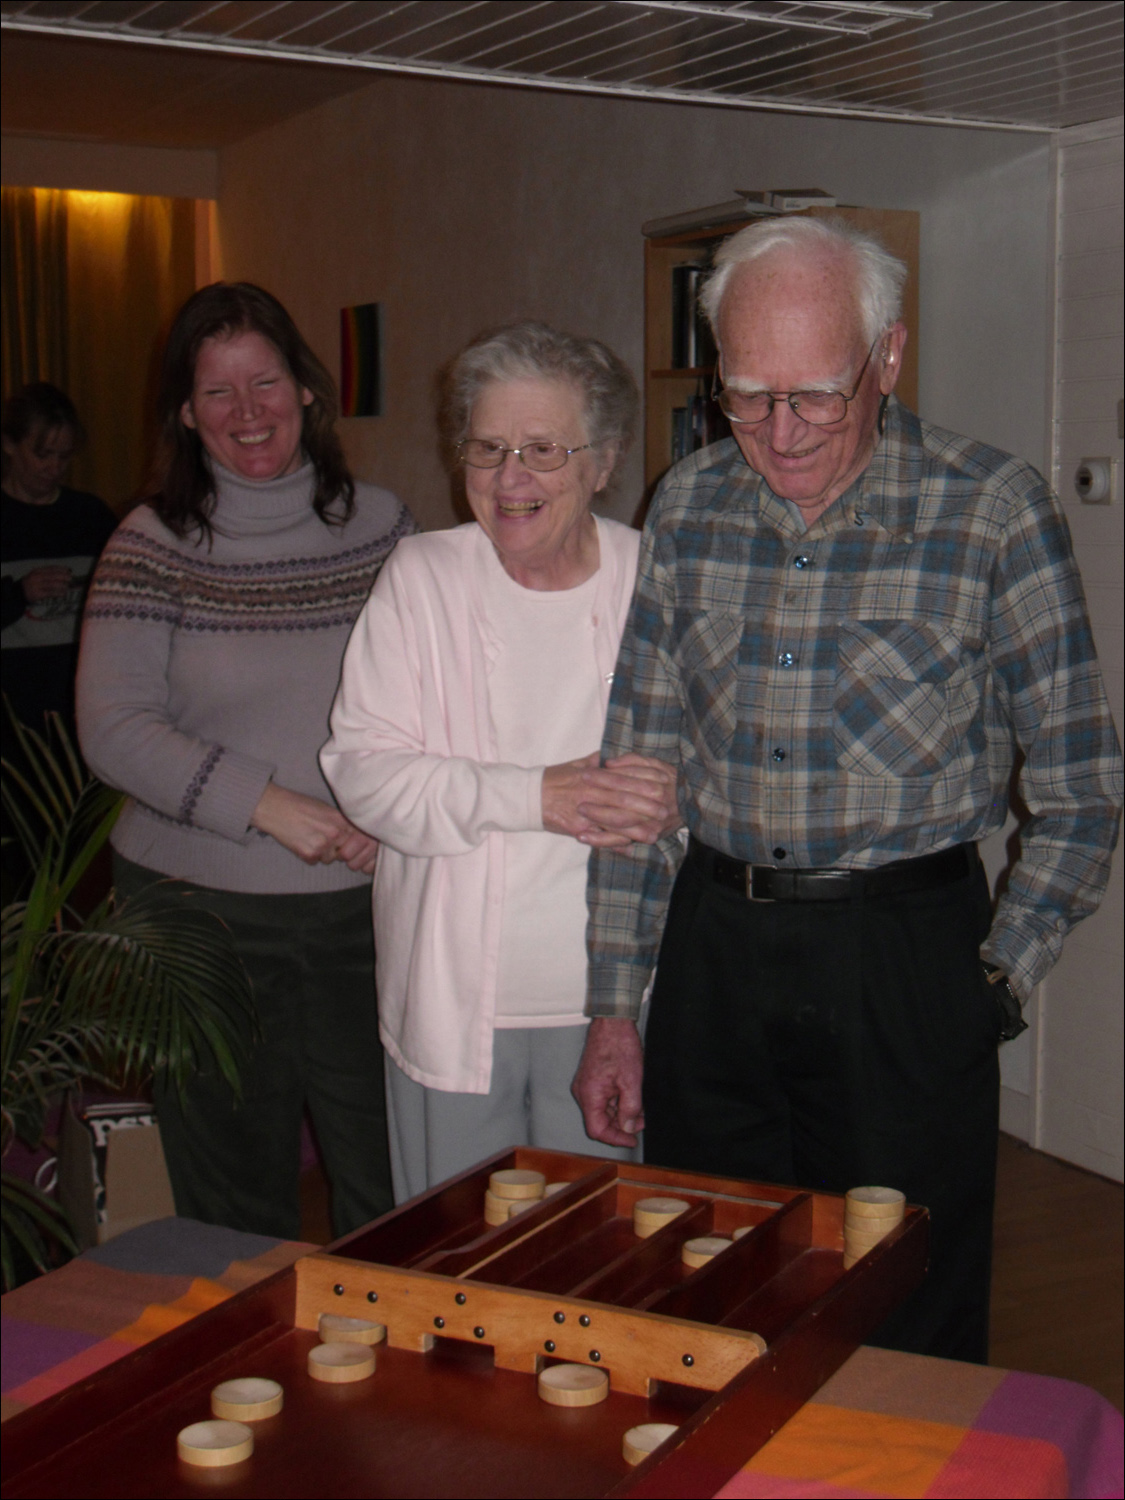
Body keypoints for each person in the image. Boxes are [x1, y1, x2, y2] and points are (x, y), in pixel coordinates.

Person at [572, 216, 1122, 1362]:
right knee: (711, 1291)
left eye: (815, 395)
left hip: (904, 957)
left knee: (901, 1313)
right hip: (715, 952)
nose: (778, 432)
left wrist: (994, 980)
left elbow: (1081, 788)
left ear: (888, 357)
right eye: (747, 394)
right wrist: (617, 1007)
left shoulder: (991, 512)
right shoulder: (690, 504)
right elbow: (639, 776)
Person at [77, 282, 416, 1240]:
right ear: (186, 414)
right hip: (201, 919)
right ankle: (242, 1382)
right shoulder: (149, 545)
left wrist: (393, 817)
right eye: (217, 393)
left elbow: (439, 693)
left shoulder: (388, 529)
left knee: (392, 1182)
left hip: (369, 909)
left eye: (263, 382)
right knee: (231, 1202)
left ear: (306, 389)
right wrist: (275, 807)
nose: (247, 412)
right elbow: (112, 727)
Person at [321, 321, 680, 1200]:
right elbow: (364, 772)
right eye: (486, 448)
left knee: (599, 1265)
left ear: (603, 462)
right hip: (451, 1004)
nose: (509, 478)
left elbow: (723, 760)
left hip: (616, 1003)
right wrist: (541, 797)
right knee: (454, 1271)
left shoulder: (657, 578)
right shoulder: (421, 578)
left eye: (543, 450)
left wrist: (681, 795)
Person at [2, 383, 116, 740]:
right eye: (42, 454)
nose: (54, 467)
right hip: (10, 724)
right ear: (8, 444)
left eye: (64, 456)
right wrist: (19, 594)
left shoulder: (91, 517)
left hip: (78, 714)